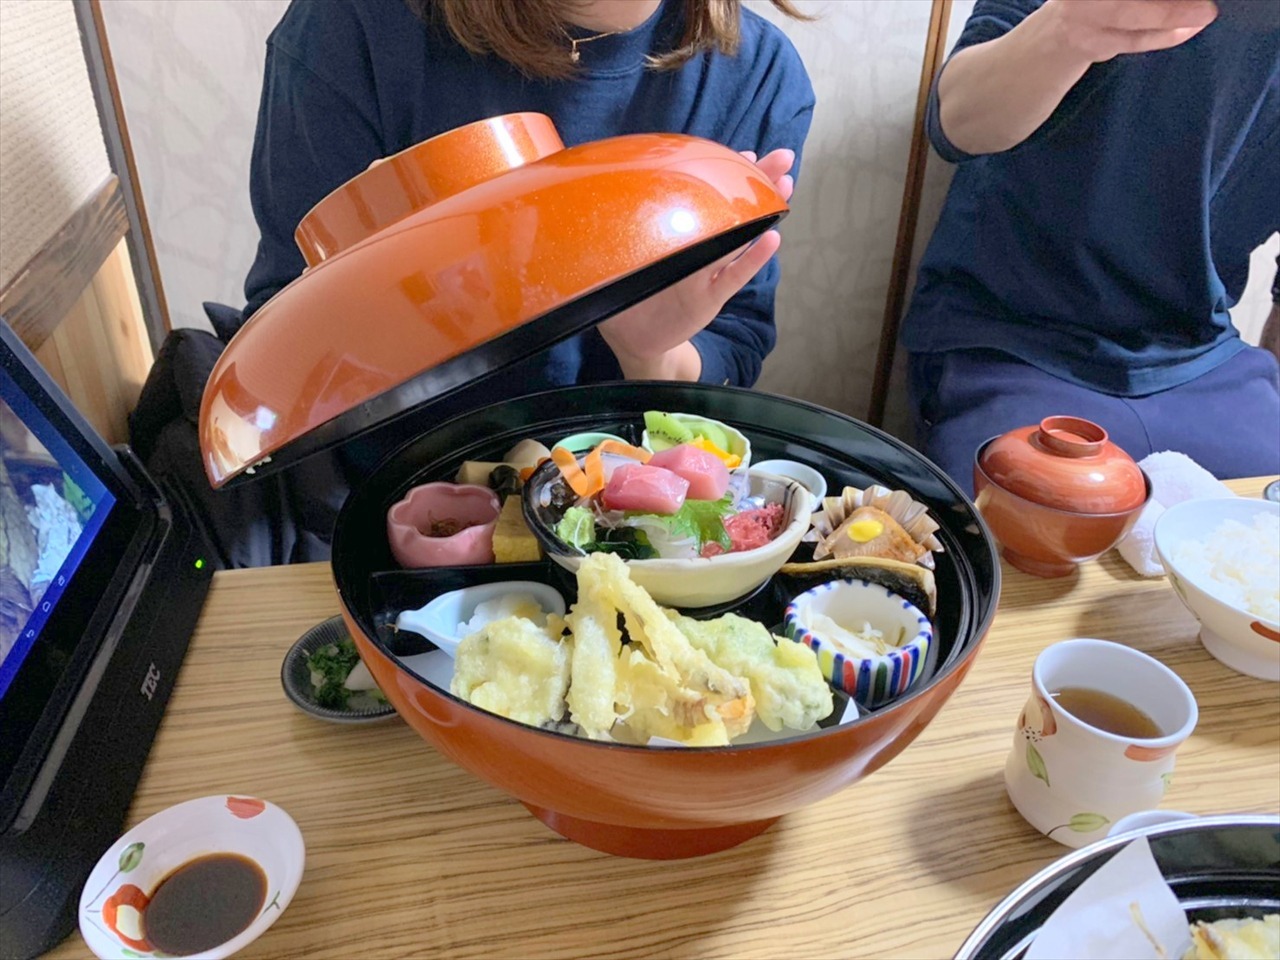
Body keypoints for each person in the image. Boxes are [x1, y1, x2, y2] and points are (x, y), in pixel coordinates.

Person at [134, 0, 815, 567]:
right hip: (391, 510)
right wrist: (410, 298)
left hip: (633, 535)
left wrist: (651, 350)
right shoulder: (353, 26)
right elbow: (289, 347)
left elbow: (736, 345)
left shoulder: (753, 72)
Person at [900, 0, 1280, 495]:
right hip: (1010, 343)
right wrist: (1067, 27)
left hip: (1205, 360)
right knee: (1016, 531)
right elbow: (955, 120)